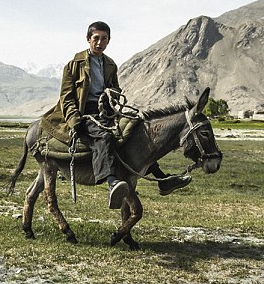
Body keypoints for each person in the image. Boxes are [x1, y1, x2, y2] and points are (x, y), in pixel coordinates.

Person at [41, 21, 191, 209]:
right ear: (88, 39)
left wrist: (112, 94)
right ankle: (112, 182)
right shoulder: (73, 65)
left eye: (104, 39)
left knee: (137, 131)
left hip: (106, 110)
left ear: (108, 40)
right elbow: (66, 97)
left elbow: (115, 88)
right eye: (96, 38)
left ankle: (162, 178)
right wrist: (74, 120)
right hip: (84, 113)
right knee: (102, 137)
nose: (99, 42)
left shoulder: (110, 64)